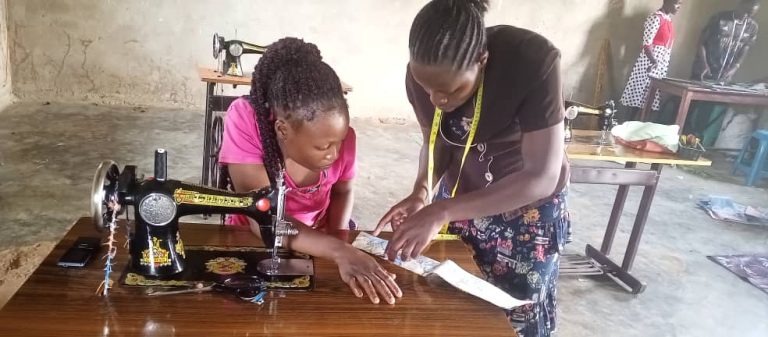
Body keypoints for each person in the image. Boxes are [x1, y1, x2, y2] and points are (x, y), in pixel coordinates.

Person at [373, 0, 570, 335]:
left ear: (482, 60)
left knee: (514, 315)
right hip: (459, 200)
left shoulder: (532, 62)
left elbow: (541, 176)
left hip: (525, 213)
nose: (436, 99)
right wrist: (422, 193)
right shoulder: (426, 72)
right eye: (426, 87)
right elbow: (435, 144)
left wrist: (442, 210)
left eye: (450, 91)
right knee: (456, 306)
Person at [218, 37, 401, 305]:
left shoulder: (341, 136)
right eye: (324, 146)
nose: (335, 153)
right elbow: (264, 219)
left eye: (339, 141)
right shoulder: (247, 120)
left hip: (321, 238)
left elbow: (343, 190)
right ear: (282, 130)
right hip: (252, 237)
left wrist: (339, 239)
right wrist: (338, 250)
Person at [619, 0, 683, 121]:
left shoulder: (668, 20)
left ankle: (636, 132)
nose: (679, 7)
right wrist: (654, 62)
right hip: (648, 64)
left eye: (681, 4)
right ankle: (625, 128)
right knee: (637, 100)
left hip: (660, 65)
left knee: (648, 101)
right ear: (667, 2)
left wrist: (660, 64)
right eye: (676, 3)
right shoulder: (655, 18)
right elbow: (647, 44)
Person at [692, 0, 761, 83]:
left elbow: (745, 48)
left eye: (751, 14)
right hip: (703, 72)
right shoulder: (719, 18)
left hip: (724, 77)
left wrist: (735, 67)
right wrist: (704, 63)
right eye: (746, 11)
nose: (747, 16)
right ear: (740, 5)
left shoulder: (752, 27)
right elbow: (701, 42)